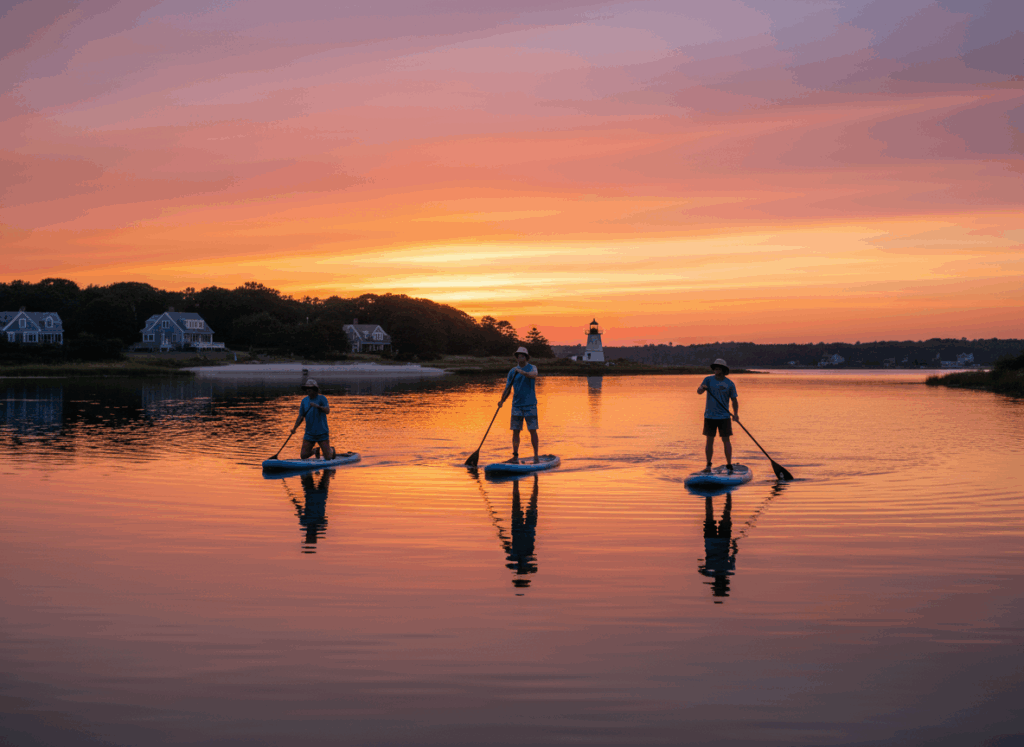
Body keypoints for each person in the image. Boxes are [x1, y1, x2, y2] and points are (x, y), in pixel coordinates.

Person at [696, 358, 738, 473]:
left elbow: (734, 400)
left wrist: (736, 414)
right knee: (709, 440)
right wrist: (701, 388)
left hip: (724, 417)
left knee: (726, 440)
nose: (716, 369)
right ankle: (708, 465)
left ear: (723, 369)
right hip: (709, 416)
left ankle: (729, 465)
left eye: (719, 367)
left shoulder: (729, 383)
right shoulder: (708, 380)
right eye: (715, 367)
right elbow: (699, 392)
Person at [499, 346, 539, 464]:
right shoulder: (512, 371)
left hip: (530, 405)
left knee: (532, 430)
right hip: (516, 405)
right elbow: (508, 388)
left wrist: (521, 372)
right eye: (518, 355)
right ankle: (515, 456)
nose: (520, 357)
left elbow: (534, 375)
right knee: (515, 431)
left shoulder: (532, 367)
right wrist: (502, 400)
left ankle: (536, 456)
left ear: (526, 357)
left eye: (522, 355)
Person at [291, 378, 337, 461]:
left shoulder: (322, 398)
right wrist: (294, 428)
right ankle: (315, 451)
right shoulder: (304, 401)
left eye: (310, 388)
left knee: (328, 457)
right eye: (307, 388)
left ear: (315, 389)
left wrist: (317, 406)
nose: (308, 390)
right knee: (303, 455)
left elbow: (327, 411)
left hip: (322, 432)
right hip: (309, 433)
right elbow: (300, 416)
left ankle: (332, 450)